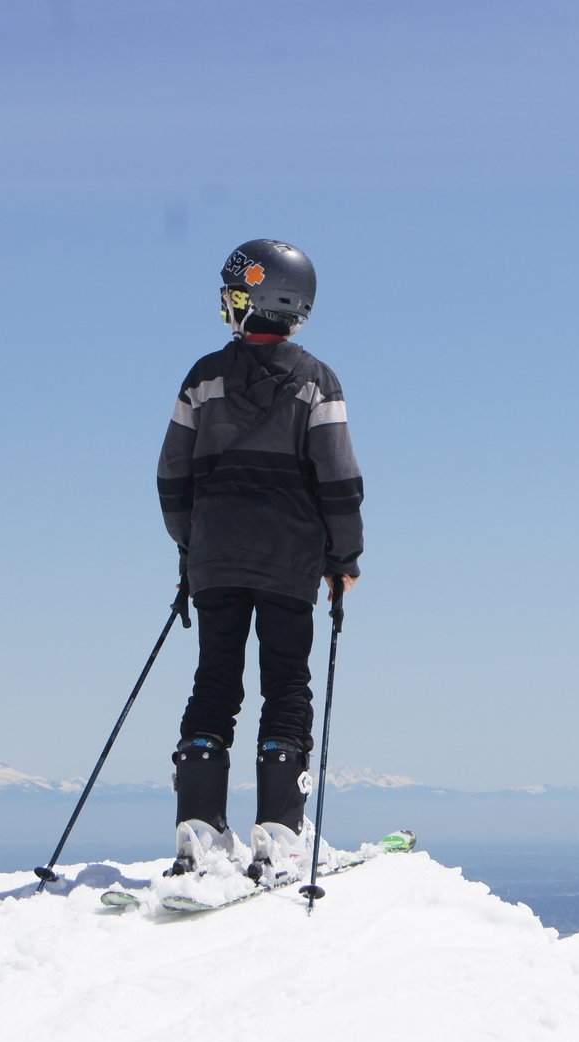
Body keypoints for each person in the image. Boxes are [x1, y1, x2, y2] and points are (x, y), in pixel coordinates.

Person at [155, 238, 362, 879]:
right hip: (288, 561)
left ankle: (200, 831)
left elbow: (171, 477)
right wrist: (344, 557)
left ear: (250, 303)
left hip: (214, 559)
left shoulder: (202, 378)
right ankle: (280, 834)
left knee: (214, 682)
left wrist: (192, 548)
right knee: (286, 684)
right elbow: (338, 479)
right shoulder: (316, 382)